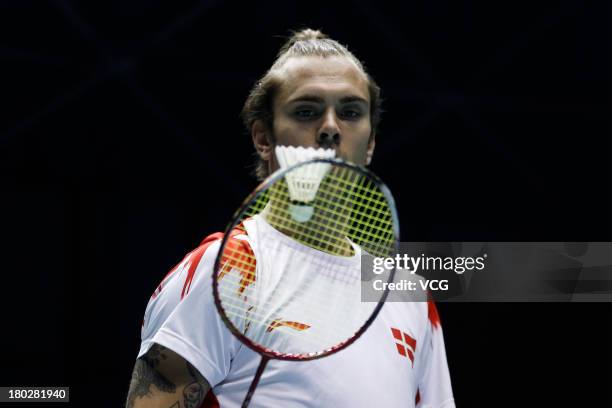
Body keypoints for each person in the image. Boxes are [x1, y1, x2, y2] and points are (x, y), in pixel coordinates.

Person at [126, 28, 455, 408]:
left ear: (370, 144)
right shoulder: (229, 270)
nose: (331, 128)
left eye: (350, 112)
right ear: (264, 139)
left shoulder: (406, 295)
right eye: (306, 112)